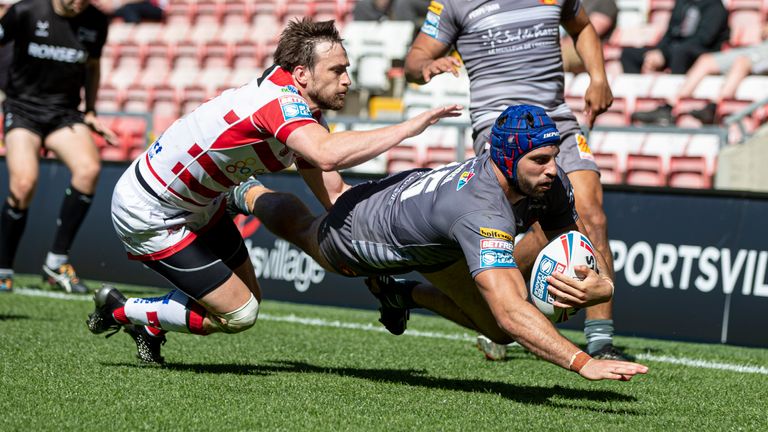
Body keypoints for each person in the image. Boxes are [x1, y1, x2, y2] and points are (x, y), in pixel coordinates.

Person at [85, 18, 461, 364]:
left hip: (200, 202)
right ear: (301, 74)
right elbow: (326, 155)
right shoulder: (279, 103)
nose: (347, 80)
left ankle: (152, 323)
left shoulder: (304, 111)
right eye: (337, 70)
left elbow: (335, 196)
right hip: (151, 209)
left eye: (346, 69)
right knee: (240, 313)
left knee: (249, 299)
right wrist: (408, 127)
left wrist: (387, 246)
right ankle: (121, 310)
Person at [227, 105, 649, 381]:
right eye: (540, 160)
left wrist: (603, 286)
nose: (554, 169)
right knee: (309, 230)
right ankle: (249, 193)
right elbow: (511, 311)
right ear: (506, 159)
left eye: (554, 156)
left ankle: (402, 294)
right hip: (365, 233)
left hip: (431, 232)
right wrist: (583, 362)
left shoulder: (542, 183)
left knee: (497, 335)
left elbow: (575, 241)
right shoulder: (481, 212)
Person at [402, 0, 625, 360]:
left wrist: (598, 76)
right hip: (501, 131)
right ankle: (499, 310)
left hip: (556, 125)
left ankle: (601, 342)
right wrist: (426, 65)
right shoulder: (453, 4)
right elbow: (413, 62)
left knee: (592, 215)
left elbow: (581, 27)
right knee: (538, 233)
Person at [0, 0, 117, 293]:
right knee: (23, 184)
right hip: (22, 109)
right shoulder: (26, 11)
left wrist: (89, 110)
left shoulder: (96, 22)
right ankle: (3, 267)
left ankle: (56, 263)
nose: (79, 4)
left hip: (63, 113)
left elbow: (93, 66)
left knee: (88, 169)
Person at [632, 23, 768, 126]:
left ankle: (715, 107)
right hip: (758, 48)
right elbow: (763, 31)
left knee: (741, 62)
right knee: (706, 61)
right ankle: (669, 106)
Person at [620, 0, 729, 75]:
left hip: (699, 53)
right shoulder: (683, 3)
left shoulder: (716, 7)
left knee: (680, 52)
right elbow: (670, 32)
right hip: (673, 49)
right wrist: (659, 51)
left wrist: (665, 53)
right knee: (629, 54)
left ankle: (672, 103)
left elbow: (703, 40)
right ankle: (637, 94)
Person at [562, 0, 618, 73]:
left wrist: (563, 43)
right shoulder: (582, 2)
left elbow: (588, 33)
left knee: (557, 56)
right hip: (570, 46)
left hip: (589, 50)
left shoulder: (606, 3)